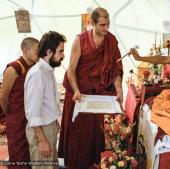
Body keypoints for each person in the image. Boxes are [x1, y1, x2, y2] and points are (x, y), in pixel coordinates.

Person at [58, 7, 123, 169]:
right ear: (92, 23)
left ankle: (90, 164)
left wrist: (119, 89)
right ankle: (74, 164)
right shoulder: (80, 40)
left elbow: (116, 69)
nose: (106, 28)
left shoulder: (112, 41)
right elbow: (71, 69)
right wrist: (77, 90)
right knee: (76, 132)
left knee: (93, 131)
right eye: (102, 25)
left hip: (96, 93)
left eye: (107, 24)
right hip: (77, 93)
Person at [24, 31, 66, 169]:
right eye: (60, 51)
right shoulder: (37, 74)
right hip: (40, 131)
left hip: (49, 126)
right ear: (49, 52)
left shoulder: (47, 70)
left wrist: (54, 121)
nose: (63, 55)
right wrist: (42, 140)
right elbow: (33, 113)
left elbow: (47, 102)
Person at [0, 37, 39, 169]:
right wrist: (11, 115)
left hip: (31, 117)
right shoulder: (13, 69)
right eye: (36, 50)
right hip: (17, 119)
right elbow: (3, 97)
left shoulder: (35, 67)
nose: (38, 53)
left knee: (31, 151)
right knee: (18, 153)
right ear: (25, 50)